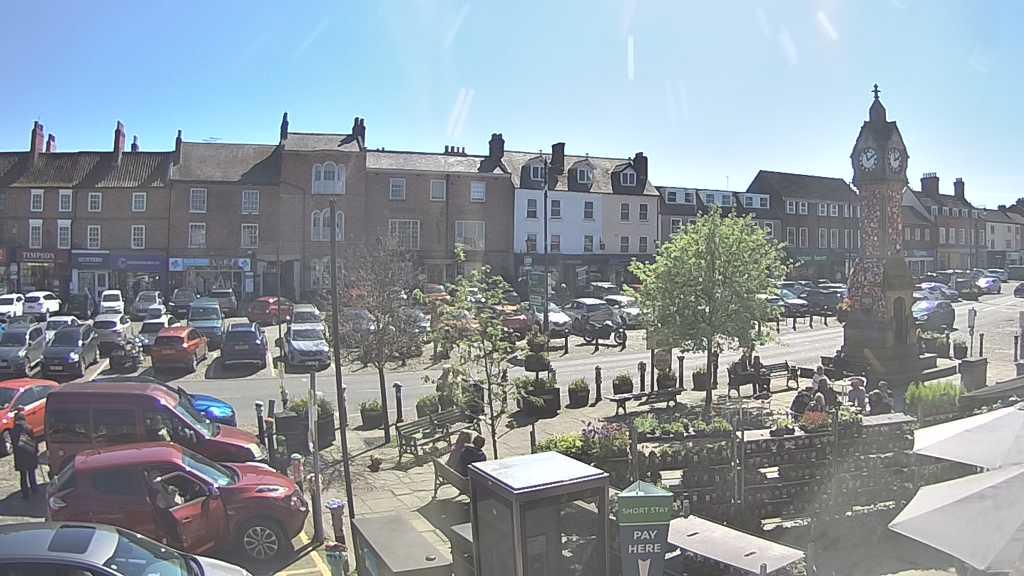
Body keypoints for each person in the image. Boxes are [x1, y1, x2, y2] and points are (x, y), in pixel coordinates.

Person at [11, 413, 39, 499]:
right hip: (29, 453)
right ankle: (34, 489)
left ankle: (25, 493)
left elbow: (14, 444)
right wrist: (36, 450)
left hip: (19, 456)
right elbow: (33, 440)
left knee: (23, 475)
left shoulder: (13, 431)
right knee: (31, 472)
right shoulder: (28, 428)